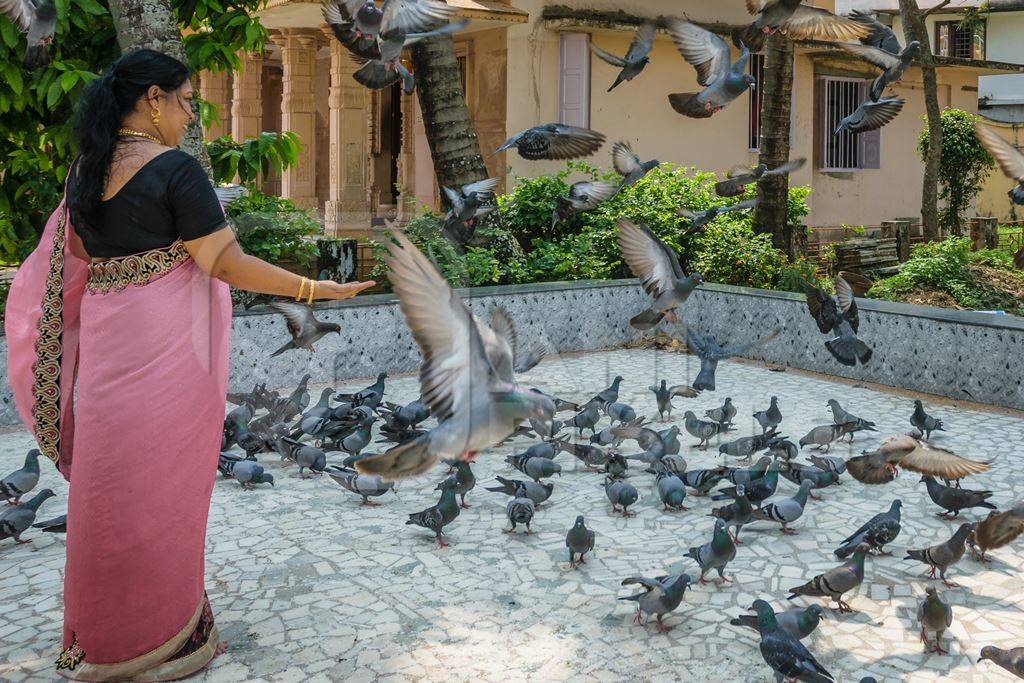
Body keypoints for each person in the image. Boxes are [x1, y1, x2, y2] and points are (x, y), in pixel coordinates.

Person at [3, 48, 374, 681]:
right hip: (163, 356)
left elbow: (78, 269)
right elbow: (224, 261)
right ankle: (157, 641)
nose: (186, 115)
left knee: (109, 494)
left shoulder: (84, 170)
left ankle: (97, 642)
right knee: (161, 491)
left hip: (106, 352)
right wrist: (313, 290)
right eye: (184, 102)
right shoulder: (176, 170)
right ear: (153, 99)